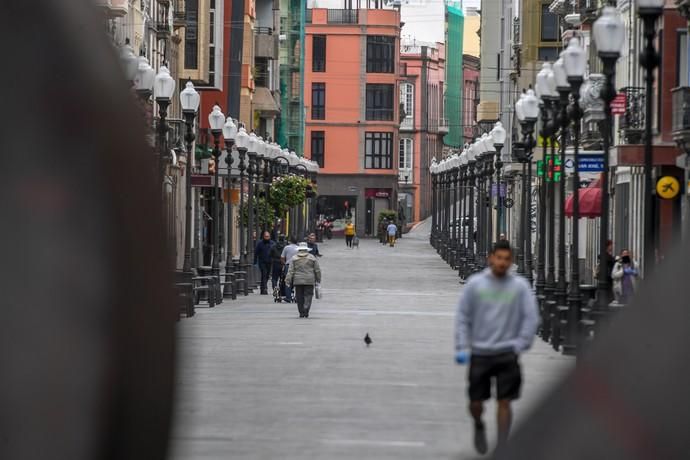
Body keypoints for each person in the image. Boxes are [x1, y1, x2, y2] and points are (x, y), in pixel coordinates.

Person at [455, 240, 539, 454]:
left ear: (511, 262)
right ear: (490, 258)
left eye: (507, 259)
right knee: (476, 403)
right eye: (499, 258)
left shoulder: (520, 287)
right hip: (480, 352)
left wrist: (520, 344)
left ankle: (502, 445)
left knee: (505, 401)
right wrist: (462, 346)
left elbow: (531, 318)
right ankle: (479, 424)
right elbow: (463, 317)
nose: (502, 263)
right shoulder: (475, 284)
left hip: (507, 353)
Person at [286, 242, 322, 318]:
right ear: (307, 249)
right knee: (308, 295)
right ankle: (306, 308)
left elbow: (291, 270)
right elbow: (317, 270)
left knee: (299, 297)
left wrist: (288, 280)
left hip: (298, 281)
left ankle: (301, 312)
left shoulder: (294, 258)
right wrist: (318, 279)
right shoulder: (312, 258)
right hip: (309, 280)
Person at [281, 236, 300, 302]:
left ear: (290, 241)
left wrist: (284, 264)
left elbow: (282, 257)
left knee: (288, 282)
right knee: (297, 282)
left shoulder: (286, 248)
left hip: (288, 266)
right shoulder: (299, 248)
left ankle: (288, 297)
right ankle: (297, 297)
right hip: (297, 266)